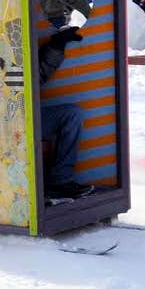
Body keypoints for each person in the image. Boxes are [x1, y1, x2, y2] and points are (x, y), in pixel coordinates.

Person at [39, 25, 93, 200]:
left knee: (72, 114)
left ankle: (60, 181)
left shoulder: (16, 48)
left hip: (24, 114)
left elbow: (38, 74)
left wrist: (57, 44)